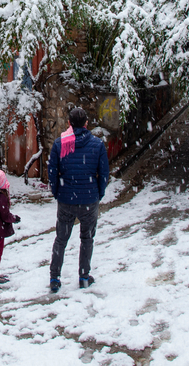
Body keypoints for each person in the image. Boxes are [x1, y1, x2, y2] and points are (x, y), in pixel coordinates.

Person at [47, 107, 109, 293]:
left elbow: (52, 172)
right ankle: (83, 276)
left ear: (69, 124)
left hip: (67, 200)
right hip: (89, 200)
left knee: (61, 239)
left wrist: (58, 192)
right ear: (86, 123)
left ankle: (55, 278)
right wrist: (98, 193)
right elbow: (104, 173)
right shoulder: (97, 145)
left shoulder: (60, 144)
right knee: (87, 238)